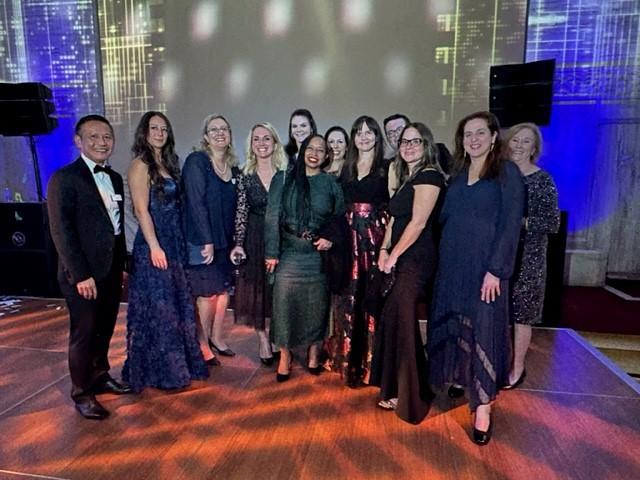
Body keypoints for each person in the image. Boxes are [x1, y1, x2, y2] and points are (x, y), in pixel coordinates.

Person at [427, 111, 524, 445]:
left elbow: (511, 224)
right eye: (468, 134)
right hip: (453, 264)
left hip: (486, 269)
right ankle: (459, 377)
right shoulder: (456, 175)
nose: (474, 139)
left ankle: (482, 406)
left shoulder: (507, 173)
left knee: (484, 329)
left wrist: (497, 269)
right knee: (455, 323)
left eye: (480, 133)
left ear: (494, 136)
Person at [47, 114, 133, 420]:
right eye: (94, 137)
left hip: (109, 270)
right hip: (82, 275)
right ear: (79, 141)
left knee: (105, 328)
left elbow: (117, 228)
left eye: (107, 137)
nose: (102, 142)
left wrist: (121, 265)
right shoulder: (65, 178)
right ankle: (81, 393)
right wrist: (80, 274)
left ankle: (100, 375)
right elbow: (62, 232)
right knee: (83, 333)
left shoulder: (113, 178)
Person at [122, 112, 209, 391]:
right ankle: (163, 371)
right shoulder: (140, 165)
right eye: (154, 128)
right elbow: (140, 210)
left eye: (163, 128)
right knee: (161, 310)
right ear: (144, 133)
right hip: (154, 244)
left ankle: (180, 363)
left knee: (176, 305)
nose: (159, 132)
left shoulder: (169, 163)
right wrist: (154, 247)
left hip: (173, 242)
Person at [371, 122, 445, 424]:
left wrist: (394, 255)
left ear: (426, 144)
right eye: (404, 141)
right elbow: (393, 221)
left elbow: (417, 224)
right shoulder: (406, 178)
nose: (409, 146)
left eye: (415, 141)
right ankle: (395, 386)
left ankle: (410, 395)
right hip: (399, 255)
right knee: (392, 317)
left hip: (417, 258)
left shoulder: (430, 176)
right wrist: (384, 250)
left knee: (401, 317)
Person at [265, 135, 345, 382]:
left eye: (321, 150)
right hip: (289, 254)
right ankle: (285, 356)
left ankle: (313, 353)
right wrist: (271, 252)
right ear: (301, 150)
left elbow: (340, 219)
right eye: (310, 148)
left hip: (317, 258)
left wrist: (331, 238)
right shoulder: (284, 178)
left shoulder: (330, 183)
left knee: (316, 308)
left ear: (326, 156)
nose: (315, 153)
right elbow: (272, 216)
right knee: (283, 306)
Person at [329, 116, 389, 387]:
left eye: (369, 132)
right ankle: (348, 360)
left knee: (371, 298)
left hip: (374, 241)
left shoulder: (386, 168)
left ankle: (371, 363)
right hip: (347, 241)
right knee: (348, 298)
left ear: (377, 136)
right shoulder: (346, 168)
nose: (364, 137)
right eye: (359, 132)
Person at [182, 114, 245, 363]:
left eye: (224, 129)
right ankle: (202, 345)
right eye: (214, 129)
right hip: (202, 241)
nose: (220, 133)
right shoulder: (197, 162)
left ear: (229, 135)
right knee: (207, 295)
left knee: (222, 293)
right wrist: (207, 240)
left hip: (226, 243)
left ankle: (217, 338)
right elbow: (195, 203)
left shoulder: (234, 169)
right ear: (206, 136)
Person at [504, 123, 560, 389]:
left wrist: (520, 222)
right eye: (515, 140)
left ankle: (517, 368)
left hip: (529, 257)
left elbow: (552, 222)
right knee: (498, 314)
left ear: (534, 148)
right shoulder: (500, 175)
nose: (518, 146)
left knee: (521, 316)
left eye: (525, 141)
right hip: (500, 253)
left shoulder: (543, 180)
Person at [232, 122, 288, 365]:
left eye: (267, 138)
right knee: (256, 293)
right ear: (251, 145)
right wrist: (238, 244)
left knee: (279, 292)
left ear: (275, 143)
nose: (262, 143)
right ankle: (263, 340)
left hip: (282, 239)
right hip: (254, 238)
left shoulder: (286, 173)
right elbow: (241, 213)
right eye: (256, 139)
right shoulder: (244, 175)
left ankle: (278, 338)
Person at [383, 113, 410, 197]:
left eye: (399, 129)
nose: (396, 135)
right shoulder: (387, 166)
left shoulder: (437, 152)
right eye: (390, 133)